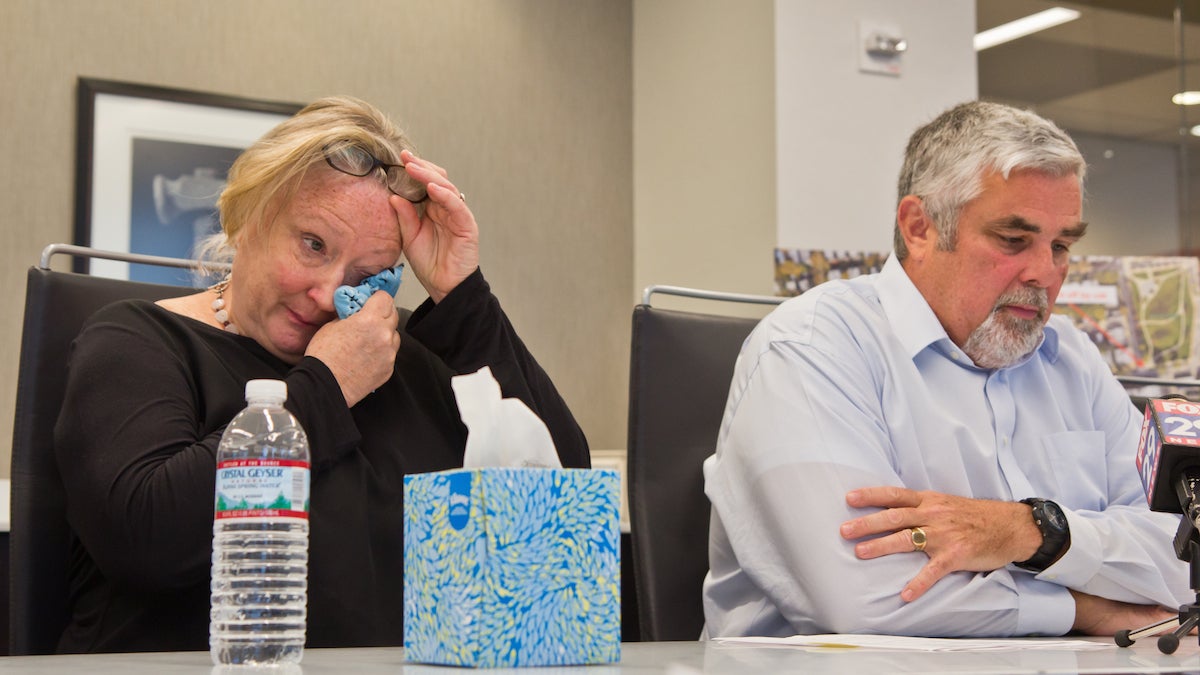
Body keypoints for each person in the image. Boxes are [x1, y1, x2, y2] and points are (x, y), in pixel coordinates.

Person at [54, 95, 590, 653]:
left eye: (368, 273)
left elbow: (564, 496)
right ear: (248, 216)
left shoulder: (400, 352)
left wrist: (463, 299)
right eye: (313, 245)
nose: (329, 295)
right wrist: (330, 383)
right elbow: (145, 539)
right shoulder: (135, 341)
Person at [701, 100, 1191, 638]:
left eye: (1062, 245)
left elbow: (1186, 555)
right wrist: (1086, 609)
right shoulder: (813, 346)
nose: (1045, 273)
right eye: (1013, 240)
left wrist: (1033, 531)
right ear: (919, 227)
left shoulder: (1070, 358)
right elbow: (867, 600)